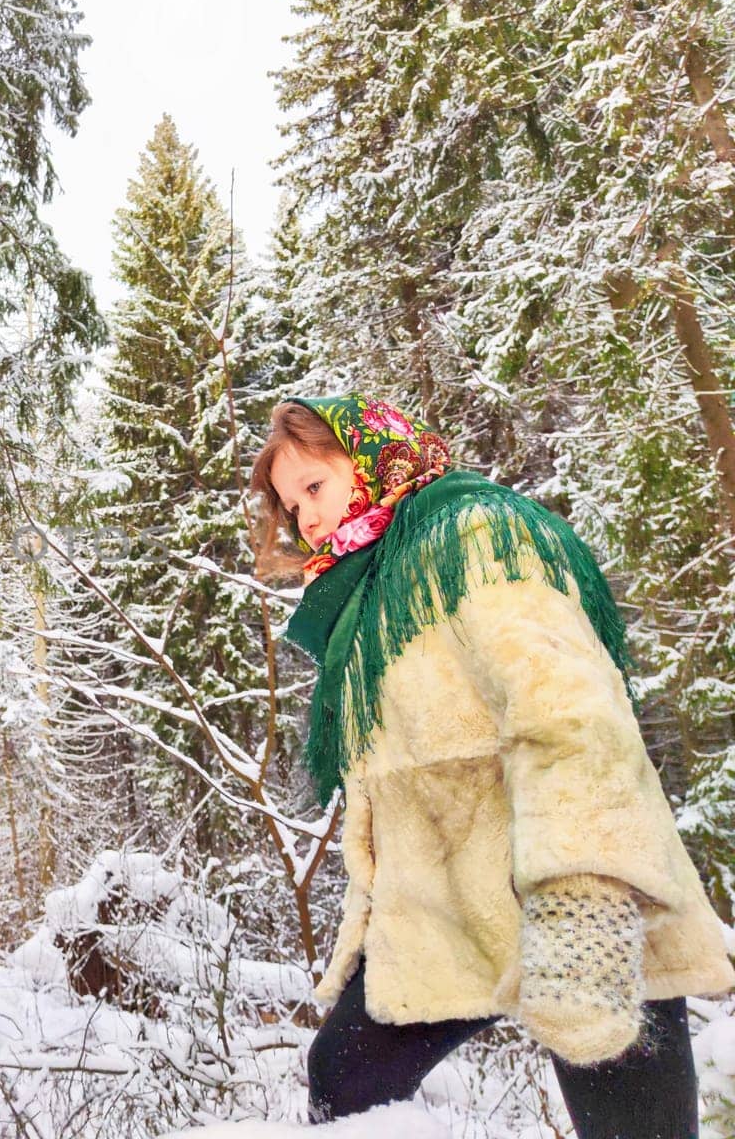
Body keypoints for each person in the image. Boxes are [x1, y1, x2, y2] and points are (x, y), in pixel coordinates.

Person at [248, 394, 734, 1136]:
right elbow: (391, 794)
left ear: (374, 457)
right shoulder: (375, 593)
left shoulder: (474, 533)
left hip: (571, 891)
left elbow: (569, 710)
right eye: (290, 506)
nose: (306, 519)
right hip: (450, 913)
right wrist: (374, 924)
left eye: (314, 486)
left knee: (634, 1123)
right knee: (342, 1077)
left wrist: (584, 901)